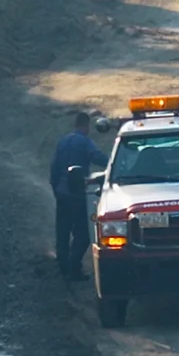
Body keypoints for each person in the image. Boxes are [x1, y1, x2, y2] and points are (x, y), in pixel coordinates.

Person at [49, 109, 100, 280]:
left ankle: (62, 266)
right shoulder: (84, 142)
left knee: (62, 230)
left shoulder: (63, 142)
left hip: (62, 194)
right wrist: (115, 164)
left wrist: (56, 189)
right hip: (78, 194)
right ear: (86, 126)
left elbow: (54, 169)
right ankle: (74, 267)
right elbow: (96, 156)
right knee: (84, 232)